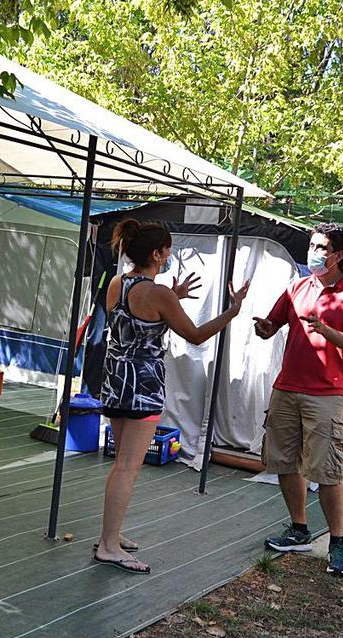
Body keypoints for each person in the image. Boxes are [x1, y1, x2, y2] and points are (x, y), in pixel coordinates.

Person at [94, 218, 249, 574]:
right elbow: (194, 335)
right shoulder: (158, 293)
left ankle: (110, 535)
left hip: (116, 381)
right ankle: (109, 545)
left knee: (121, 465)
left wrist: (172, 297)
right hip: (143, 387)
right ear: (156, 253)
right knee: (127, 468)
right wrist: (232, 311)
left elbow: (133, 320)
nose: (169, 255)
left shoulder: (119, 282)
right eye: (167, 250)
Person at [253, 223, 343, 576]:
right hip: (287, 387)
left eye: (321, 247)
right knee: (285, 462)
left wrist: (325, 330)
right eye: (312, 244)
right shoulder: (296, 287)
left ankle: (337, 542)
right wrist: (262, 326)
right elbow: (271, 327)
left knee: (327, 470)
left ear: (337, 255)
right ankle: (299, 529)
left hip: (327, 393)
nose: (314, 252)